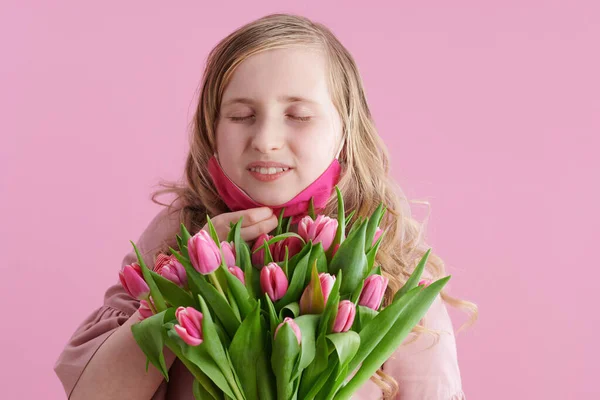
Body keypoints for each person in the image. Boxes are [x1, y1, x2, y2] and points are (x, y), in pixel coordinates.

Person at [54, 13, 478, 400]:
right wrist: (185, 276)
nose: (266, 139)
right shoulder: (179, 232)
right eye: (241, 116)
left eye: (298, 115)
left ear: (345, 130)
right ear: (211, 128)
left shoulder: (383, 252)